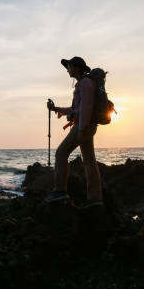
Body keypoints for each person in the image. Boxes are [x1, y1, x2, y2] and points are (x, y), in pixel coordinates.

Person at [45, 56, 103, 208]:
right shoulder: (82, 84)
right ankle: (95, 199)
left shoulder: (85, 83)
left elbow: (86, 108)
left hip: (83, 126)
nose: (67, 70)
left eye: (69, 66)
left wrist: (82, 129)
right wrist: (56, 109)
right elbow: (75, 109)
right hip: (87, 125)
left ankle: (60, 191)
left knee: (61, 153)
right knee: (89, 161)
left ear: (76, 67)